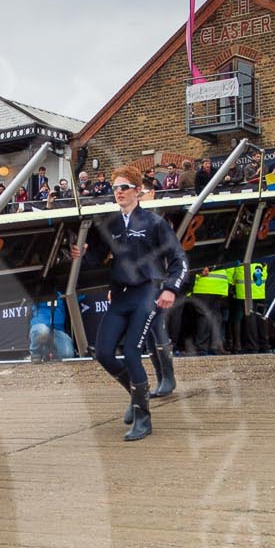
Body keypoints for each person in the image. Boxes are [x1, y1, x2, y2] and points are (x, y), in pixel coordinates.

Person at [70, 164, 185, 440]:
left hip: (147, 293)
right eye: (115, 188)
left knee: (132, 352)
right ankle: (135, 396)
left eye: (124, 187)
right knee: (104, 353)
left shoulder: (154, 223)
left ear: (137, 190)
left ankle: (143, 419)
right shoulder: (110, 224)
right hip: (120, 294)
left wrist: (170, 289)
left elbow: (179, 261)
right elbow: (96, 258)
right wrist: (81, 253)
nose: (119, 192)